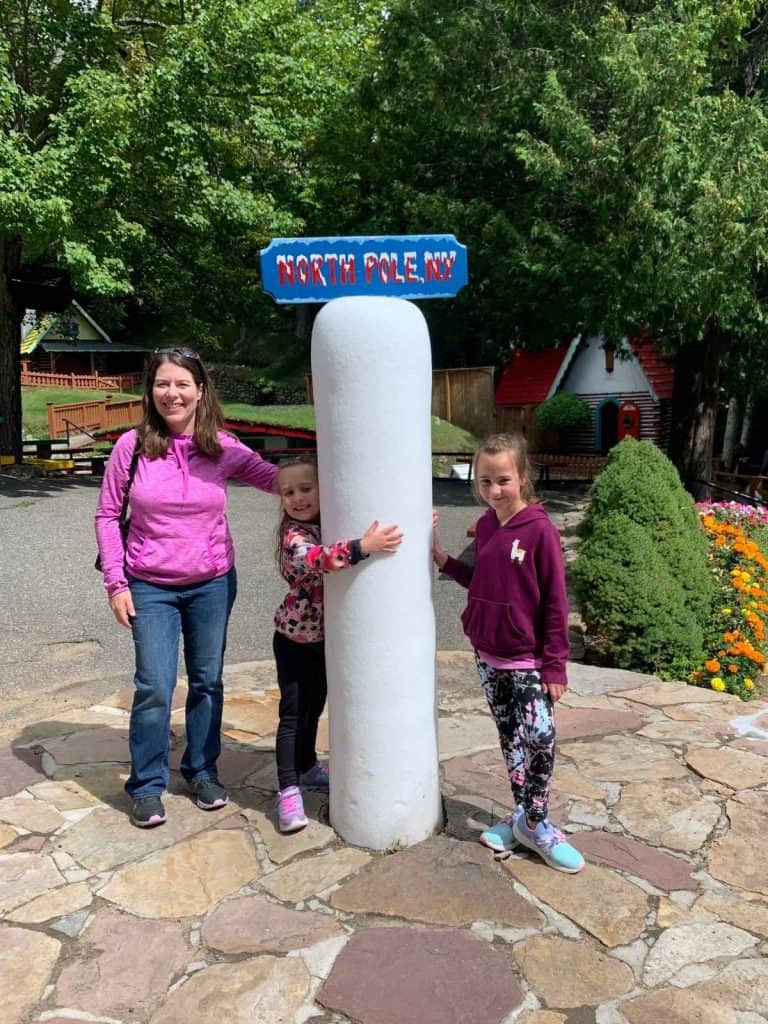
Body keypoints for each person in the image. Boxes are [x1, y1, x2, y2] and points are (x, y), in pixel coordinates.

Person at [95, 347, 278, 828]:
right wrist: (116, 582)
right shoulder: (131, 446)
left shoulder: (224, 447)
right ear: (150, 391)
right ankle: (147, 785)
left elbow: (280, 481)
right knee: (155, 685)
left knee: (207, 681)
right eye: (162, 383)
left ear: (200, 390)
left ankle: (202, 771)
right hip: (149, 584)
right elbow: (108, 515)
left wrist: (343, 481)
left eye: (181, 384)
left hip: (212, 583)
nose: (171, 393)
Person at [432, 432, 584, 873]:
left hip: (527, 661)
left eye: (503, 480)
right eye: (485, 481)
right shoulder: (485, 526)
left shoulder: (539, 531)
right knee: (511, 739)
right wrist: (443, 560)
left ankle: (535, 823)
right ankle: (522, 816)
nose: (494, 490)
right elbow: (482, 581)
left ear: (522, 477)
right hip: (487, 656)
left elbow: (556, 602)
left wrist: (555, 666)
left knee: (541, 740)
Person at [273, 455, 403, 832]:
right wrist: (365, 545)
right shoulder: (295, 535)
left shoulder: (326, 523)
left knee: (314, 708)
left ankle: (307, 766)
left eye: (306, 489)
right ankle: (288, 789)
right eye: (289, 493)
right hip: (294, 641)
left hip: (322, 640)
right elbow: (319, 559)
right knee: (293, 715)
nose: (298, 498)